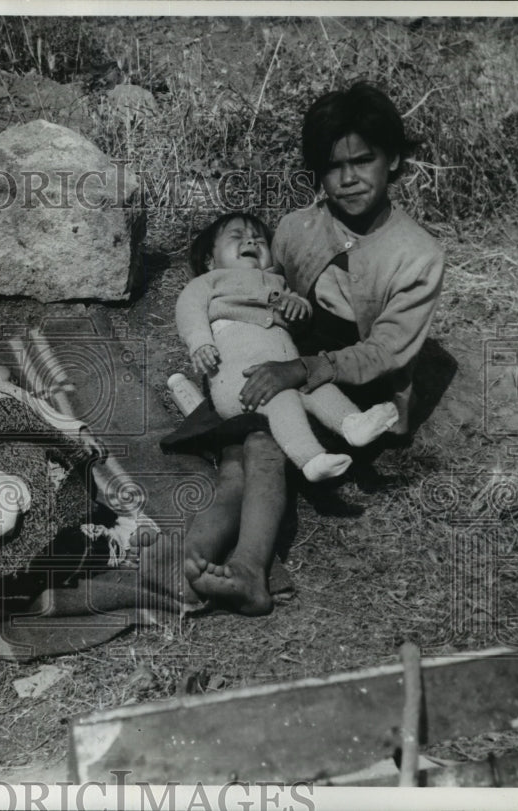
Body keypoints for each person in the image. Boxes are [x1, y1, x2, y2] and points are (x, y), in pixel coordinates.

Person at [178, 81, 445, 615]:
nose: (348, 179)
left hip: (354, 397)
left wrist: (297, 369)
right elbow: (261, 293)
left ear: (392, 160)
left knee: (261, 446)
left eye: (363, 161)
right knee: (244, 446)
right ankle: (197, 559)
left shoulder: (418, 257)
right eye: (332, 166)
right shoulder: (297, 228)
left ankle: (247, 567)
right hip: (276, 368)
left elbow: (384, 352)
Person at [175, 212, 400, 483]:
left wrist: (299, 308)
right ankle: (310, 458)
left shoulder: (279, 284)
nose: (251, 241)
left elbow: (302, 323)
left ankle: (352, 423)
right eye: (237, 237)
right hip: (239, 380)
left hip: (282, 370)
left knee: (316, 386)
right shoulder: (209, 282)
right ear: (210, 261)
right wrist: (200, 342)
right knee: (282, 399)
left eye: (259, 239)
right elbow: (189, 309)